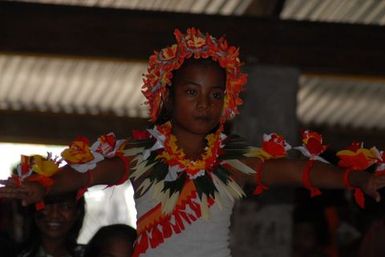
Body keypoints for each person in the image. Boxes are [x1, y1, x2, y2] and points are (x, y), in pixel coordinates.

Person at [1, 27, 385, 257]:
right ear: (166, 97)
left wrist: (359, 180)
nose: (204, 103)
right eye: (192, 92)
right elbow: (89, 173)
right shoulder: (141, 152)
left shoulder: (233, 159)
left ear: (228, 101)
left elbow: (299, 170)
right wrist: (44, 185)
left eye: (215, 95)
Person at [17, 191, 86, 257]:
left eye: (65, 207)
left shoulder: (89, 253)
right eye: (46, 206)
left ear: (77, 212)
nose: (54, 215)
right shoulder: (13, 253)